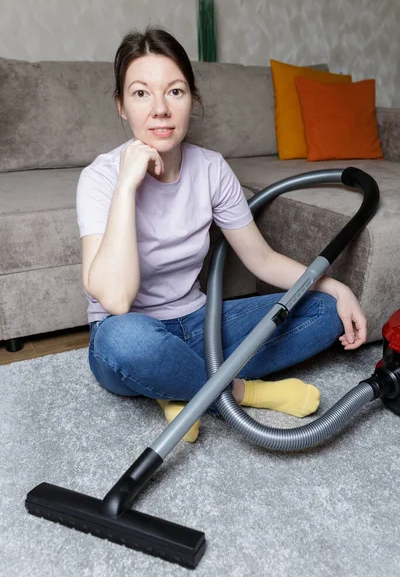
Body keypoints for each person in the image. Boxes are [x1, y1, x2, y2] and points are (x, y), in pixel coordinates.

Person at [76, 25, 367, 443]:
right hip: (126, 331)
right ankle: (238, 392)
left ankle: (177, 385)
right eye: (141, 93)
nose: (159, 108)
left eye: (174, 91)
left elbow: (261, 259)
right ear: (122, 106)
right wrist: (126, 186)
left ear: (192, 100)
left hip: (198, 322)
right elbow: (117, 301)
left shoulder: (211, 168)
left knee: (323, 310)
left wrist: (337, 287)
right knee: (129, 343)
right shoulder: (100, 179)